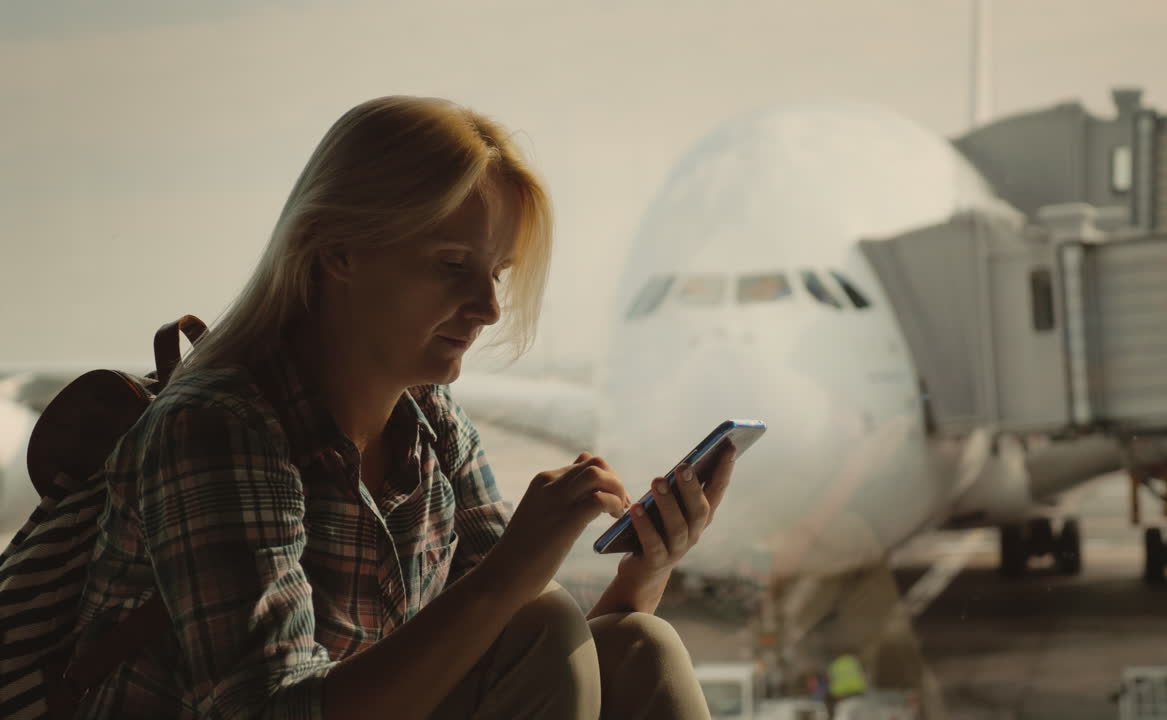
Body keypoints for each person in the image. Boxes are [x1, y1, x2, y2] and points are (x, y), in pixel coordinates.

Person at [71, 95, 736, 719]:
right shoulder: (219, 428)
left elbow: (529, 662)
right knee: (548, 621)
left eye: (496, 273)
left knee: (639, 644)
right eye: (452, 265)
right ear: (338, 250)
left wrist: (643, 572)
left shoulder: (432, 425)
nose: (489, 308)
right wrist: (510, 570)